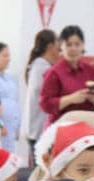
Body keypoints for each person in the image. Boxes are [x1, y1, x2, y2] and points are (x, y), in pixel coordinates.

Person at [39, 26, 94, 125]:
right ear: (61, 46)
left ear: (83, 46)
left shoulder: (93, 72)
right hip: (60, 129)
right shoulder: (54, 73)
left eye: (77, 44)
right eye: (68, 44)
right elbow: (45, 104)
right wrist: (71, 99)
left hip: (86, 127)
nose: (73, 48)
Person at [23, 29, 59, 165]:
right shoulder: (43, 69)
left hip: (37, 131)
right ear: (50, 47)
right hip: (39, 132)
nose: (59, 52)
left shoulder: (39, 66)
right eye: (58, 48)